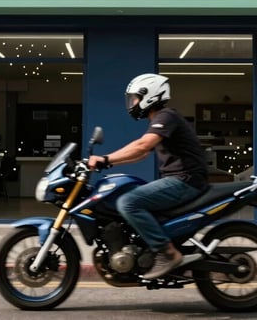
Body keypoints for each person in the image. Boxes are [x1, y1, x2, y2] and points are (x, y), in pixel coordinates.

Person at [87, 73, 208, 279]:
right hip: (180, 180)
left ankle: (167, 253)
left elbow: (142, 145)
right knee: (128, 194)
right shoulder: (162, 120)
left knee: (127, 202)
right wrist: (109, 163)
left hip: (185, 180)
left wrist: (105, 159)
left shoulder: (166, 116)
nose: (132, 103)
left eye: (135, 98)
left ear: (150, 95)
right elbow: (141, 153)